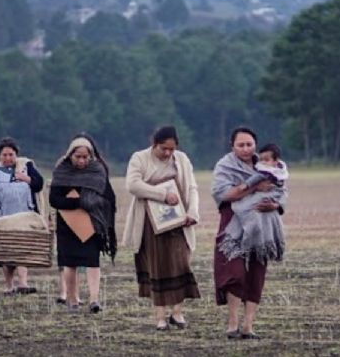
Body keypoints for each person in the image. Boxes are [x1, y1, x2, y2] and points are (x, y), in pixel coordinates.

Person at [123, 126, 201, 330]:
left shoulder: (182, 159)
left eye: (171, 149)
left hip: (179, 222)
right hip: (151, 224)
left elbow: (192, 187)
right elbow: (132, 185)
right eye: (163, 148)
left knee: (181, 264)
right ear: (154, 143)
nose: (167, 153)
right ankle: (159, 317)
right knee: (157, 267)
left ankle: (177, 312)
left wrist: (193, 211)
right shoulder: (139, 158)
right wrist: (162, 195)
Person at [212, 127, 286, 340]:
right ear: (232, 146)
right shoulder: (224, 165)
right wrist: (253, 188)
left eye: (249, 144)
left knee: (257, 270)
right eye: (241, 145)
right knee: (234, 270)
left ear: (255, 144)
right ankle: (232, 323)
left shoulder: (266, 162)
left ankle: (248, 326)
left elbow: (282, 189)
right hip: (233, 221)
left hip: (262, 223)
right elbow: (223, 193)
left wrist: (275, 204)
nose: (246, 149)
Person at [50, 133, 116, 313]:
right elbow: (54, 200)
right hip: (67, 223)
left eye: (85, 157)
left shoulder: (98, 171)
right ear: (70, 155)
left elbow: (108, 197)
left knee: (92, 261)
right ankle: (72, 299)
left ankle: (94, 299)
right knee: (69, 262)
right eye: (78, 156)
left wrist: (95, 204)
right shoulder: (61, 171)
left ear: (91, 156)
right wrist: (78, 203)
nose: (81, 161)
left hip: (91, 223)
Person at [0, 137, 45, 295]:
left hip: (24, 216)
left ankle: (23, 283)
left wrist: (27, 179)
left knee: (23, 250)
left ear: (16, 155)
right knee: (6, 252)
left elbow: (39, 184)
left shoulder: (26, 167)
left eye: (11, 154)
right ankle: (9, 286)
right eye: (5, 155)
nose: (8, 158)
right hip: (2, 218)